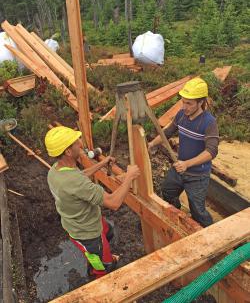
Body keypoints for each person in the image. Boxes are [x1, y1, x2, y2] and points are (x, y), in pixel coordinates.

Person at [45, 126, 140, 278]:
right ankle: (99, 272)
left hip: (81, 221)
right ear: (68, 152)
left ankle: (103, 253)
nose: (81, 145)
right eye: (77, 143)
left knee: (108, 231)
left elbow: (80, 176)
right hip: (87, 234)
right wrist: (129, 177)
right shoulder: (75, 183)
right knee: (104, 266)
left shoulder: (56, 171)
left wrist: (102, 163)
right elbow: (113, 203)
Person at [148, 78, 219, 227]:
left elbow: (211, 151)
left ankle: (208, 233)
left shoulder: (209, 122)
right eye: (183, 101)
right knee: (167, 192)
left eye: (189, 103)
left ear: (201, 103)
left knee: (197, 211)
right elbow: (167, 132)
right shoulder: (181, 115)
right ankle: (177, 218)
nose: (184, 106)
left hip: (197, 176)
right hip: (179, 169)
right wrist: (151, 144)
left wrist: (187, 164)